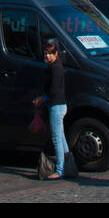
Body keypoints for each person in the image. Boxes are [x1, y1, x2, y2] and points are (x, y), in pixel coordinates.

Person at [32, 40, 67, 180]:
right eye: (46, 54)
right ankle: (68, 164)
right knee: (61, 136)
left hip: (56, 105)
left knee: (57, 138)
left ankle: (60, 170)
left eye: (50, 54)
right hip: (59, 105)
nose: (47, 56)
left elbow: (53, 89)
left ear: (56, 54)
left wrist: (42, 99)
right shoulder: (55, 66)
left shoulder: (55, 68)